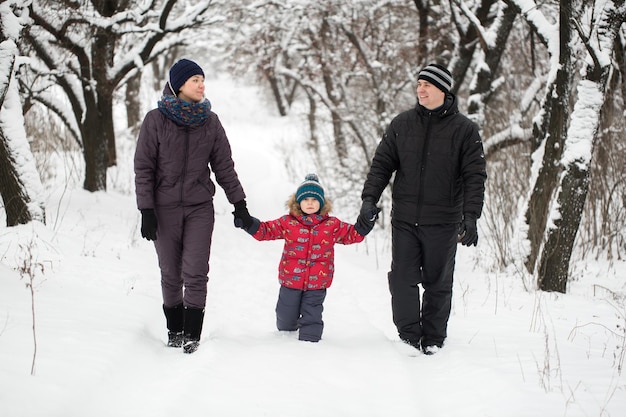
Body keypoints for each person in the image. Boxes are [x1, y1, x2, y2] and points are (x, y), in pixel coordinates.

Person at [359, 63, 486, 355]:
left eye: (427, 85)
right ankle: (408, 337)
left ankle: (432, 339)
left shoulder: (465, 130)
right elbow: (381, 165)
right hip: (404, 218)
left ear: (442, 89)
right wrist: (369, 199)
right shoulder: (401, 124)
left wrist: (471, 216)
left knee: (438, 283)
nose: (421, 89)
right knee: (402, 279)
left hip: (443, 221)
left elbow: (474, 176)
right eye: (418, 84)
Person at [134, 58, 253, 354]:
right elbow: (143, 168)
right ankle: (174, 331)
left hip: (199, 207)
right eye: (195, 80)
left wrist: (239, 203)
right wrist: (146, 210)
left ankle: (192, 337)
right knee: (171, 273)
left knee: (196, 270)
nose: (202, 85)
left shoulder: (210, 122)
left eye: (203, 79)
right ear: (179, 85)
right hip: (163, 209)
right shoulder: (155, 120)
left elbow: (224, 166)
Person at [240, 174, 379, 342]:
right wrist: (248, 222)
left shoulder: (332, 224)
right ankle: (284, 340)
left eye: (314, 199)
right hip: (290, 280)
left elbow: (352, 235)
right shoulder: (288, 222)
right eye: (306, 199)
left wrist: (366, 223)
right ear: (298, 202)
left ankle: (310, 345)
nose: (310, 203)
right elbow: (265, 231)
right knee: (285, 317)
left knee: (312, 316)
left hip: (317, 283)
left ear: (321, 202)